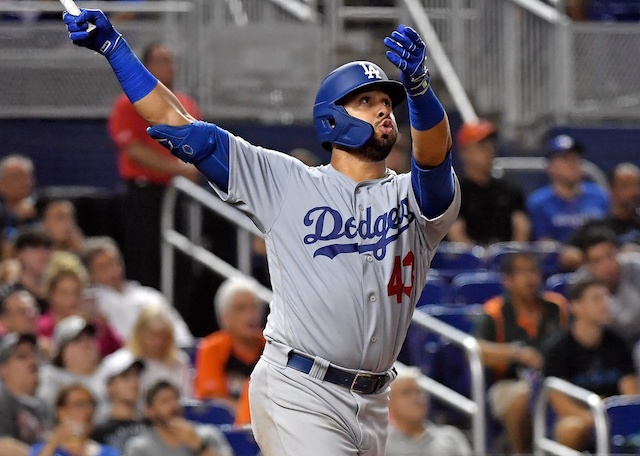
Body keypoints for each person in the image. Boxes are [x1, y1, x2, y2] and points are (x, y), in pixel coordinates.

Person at [63, 12, 460, 455]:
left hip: (373, 400)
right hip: (300, 388)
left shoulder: (414, 200)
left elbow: (434, 160)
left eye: (387, 101)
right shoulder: (288, 182)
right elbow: (179, 126)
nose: (384, 108)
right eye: (365, 100)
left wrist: (421, 90)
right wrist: (116, 50)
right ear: (331, 120)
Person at [108, 41, 201, 290]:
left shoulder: (186, 104)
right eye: (162, 60)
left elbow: (198, 145)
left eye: (171, 60)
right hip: (144, 194)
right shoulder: (129, 102)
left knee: (181, 262)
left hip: (179, 195)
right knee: (145, 259)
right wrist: (180, 169)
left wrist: (192, 167)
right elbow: (134, 149)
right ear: (146, 65)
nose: (170, 67)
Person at [473, 251, 568, 454]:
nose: (530, 278)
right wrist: (517, 353)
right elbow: (476, 349)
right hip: (507, 382)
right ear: (508, 280)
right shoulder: (495, 311)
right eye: (522, 272)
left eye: (534, 271)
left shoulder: (556, 306)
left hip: (554, 379)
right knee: (524, 395)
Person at [543, 276, 639, 451]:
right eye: (596, 299)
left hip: (612, 415)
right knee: (570, 429)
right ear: (576, 306)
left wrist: (619, 418)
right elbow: (561, 404)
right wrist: (596, 417)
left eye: (606, 297)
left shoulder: (619, 343)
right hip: (579, 416)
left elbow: (630, 393)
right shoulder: (558, 348)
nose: (605, 304)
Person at [81, 236, 192, 347]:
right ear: (91, 274)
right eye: (103, 267)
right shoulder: (92, 305)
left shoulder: (150, 296)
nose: (112, 271)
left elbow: (182, 336)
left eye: (114, 263)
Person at [448, 119, 530, 245]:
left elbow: (522, 227)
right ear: (464, 152)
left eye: (490, 145)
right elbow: (455, 231)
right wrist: (478, 258)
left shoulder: (509, 191)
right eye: (481, 146)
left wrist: (512, 255)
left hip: (504, 259)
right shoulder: (453, 191)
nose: (489, 150)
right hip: (466, 261)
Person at [193, 277, 265, 411]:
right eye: (240, 308)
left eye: (254, 307)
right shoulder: (211, 348)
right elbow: (213, 401)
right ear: (224, 317)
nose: (250, 315)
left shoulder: (271, 347)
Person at [37, 251, 122, 358]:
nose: (71, 300)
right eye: (64, 293)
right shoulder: (39, 328)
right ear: (50, 294)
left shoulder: (95, 325)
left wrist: (105, 329)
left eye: (76, 293)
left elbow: (119, 354)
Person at [527, 134, 610, 243]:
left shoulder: (600, 196)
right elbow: (542, 242)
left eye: (576, 158)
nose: (573, 163)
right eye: (565, 159)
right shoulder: (538, 203)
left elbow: (609, 234)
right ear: (551, 167)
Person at [562, 162, 640, 270]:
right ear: (612, 190)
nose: (635, 192)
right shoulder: (594, 227)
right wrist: (603, 260)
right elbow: (568, 256)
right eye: (626, 186)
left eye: (637, 185)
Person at [124, 380, 233, 456]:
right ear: (149, 411)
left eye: (175, 399)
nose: (173, 405)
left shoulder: (207, 435)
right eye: (165, 401)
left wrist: (199, 446)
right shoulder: (140, 448)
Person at [574, 226, 640, 348]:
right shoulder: (581, 284)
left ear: (618, 252)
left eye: (610, 256)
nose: (607, 265)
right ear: (587, 265)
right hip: (605, 346)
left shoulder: (637, 268)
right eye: (597, 261)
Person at [386, 367, 471, 456]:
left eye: (419, 392)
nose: (416, 398)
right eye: (406, 393)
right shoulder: (381, 444)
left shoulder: (451, 439)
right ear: (389, 402)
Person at [37, 316, 105, 414]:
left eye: (89, 337)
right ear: (62, 351)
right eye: (77, 340)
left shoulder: (112, 372)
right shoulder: (51, 378)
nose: (85, 344)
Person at [122, 303, 190, 398]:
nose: (158, 342)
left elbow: (186, 397)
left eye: (163, 336)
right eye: (152, 336)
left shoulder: (180, 361)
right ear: (140, 333)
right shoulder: (125, 363)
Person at [30, 384, 119, 456]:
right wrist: (54, 442)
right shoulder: (41, 449)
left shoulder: (106, 452)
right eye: (79, 404)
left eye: (91, 405)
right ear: (61, 411)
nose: (88, 411)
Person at [0, 333, 48, 456]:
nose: (33, 361)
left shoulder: (44, 404)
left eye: (35, 355)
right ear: (3, 369)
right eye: (22, 357)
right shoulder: (2, 402)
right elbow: (2, 446)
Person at [92, 350, 147, 453]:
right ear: (109, 386)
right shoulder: (99, 432)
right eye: (125, 377)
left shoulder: (152, 425)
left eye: (137, 375)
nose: (134, 382)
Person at [13, 228, 53, 313]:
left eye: (46, 248)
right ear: (19, 253)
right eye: (35, 247)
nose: (42, 253)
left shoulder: (55, 292)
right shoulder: (10, 294)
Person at [0, 155, 37, 243]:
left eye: (28, 176)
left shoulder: (43, 209)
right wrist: (14, 217)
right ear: (1, 183)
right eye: (16, 177)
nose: (25, 182)